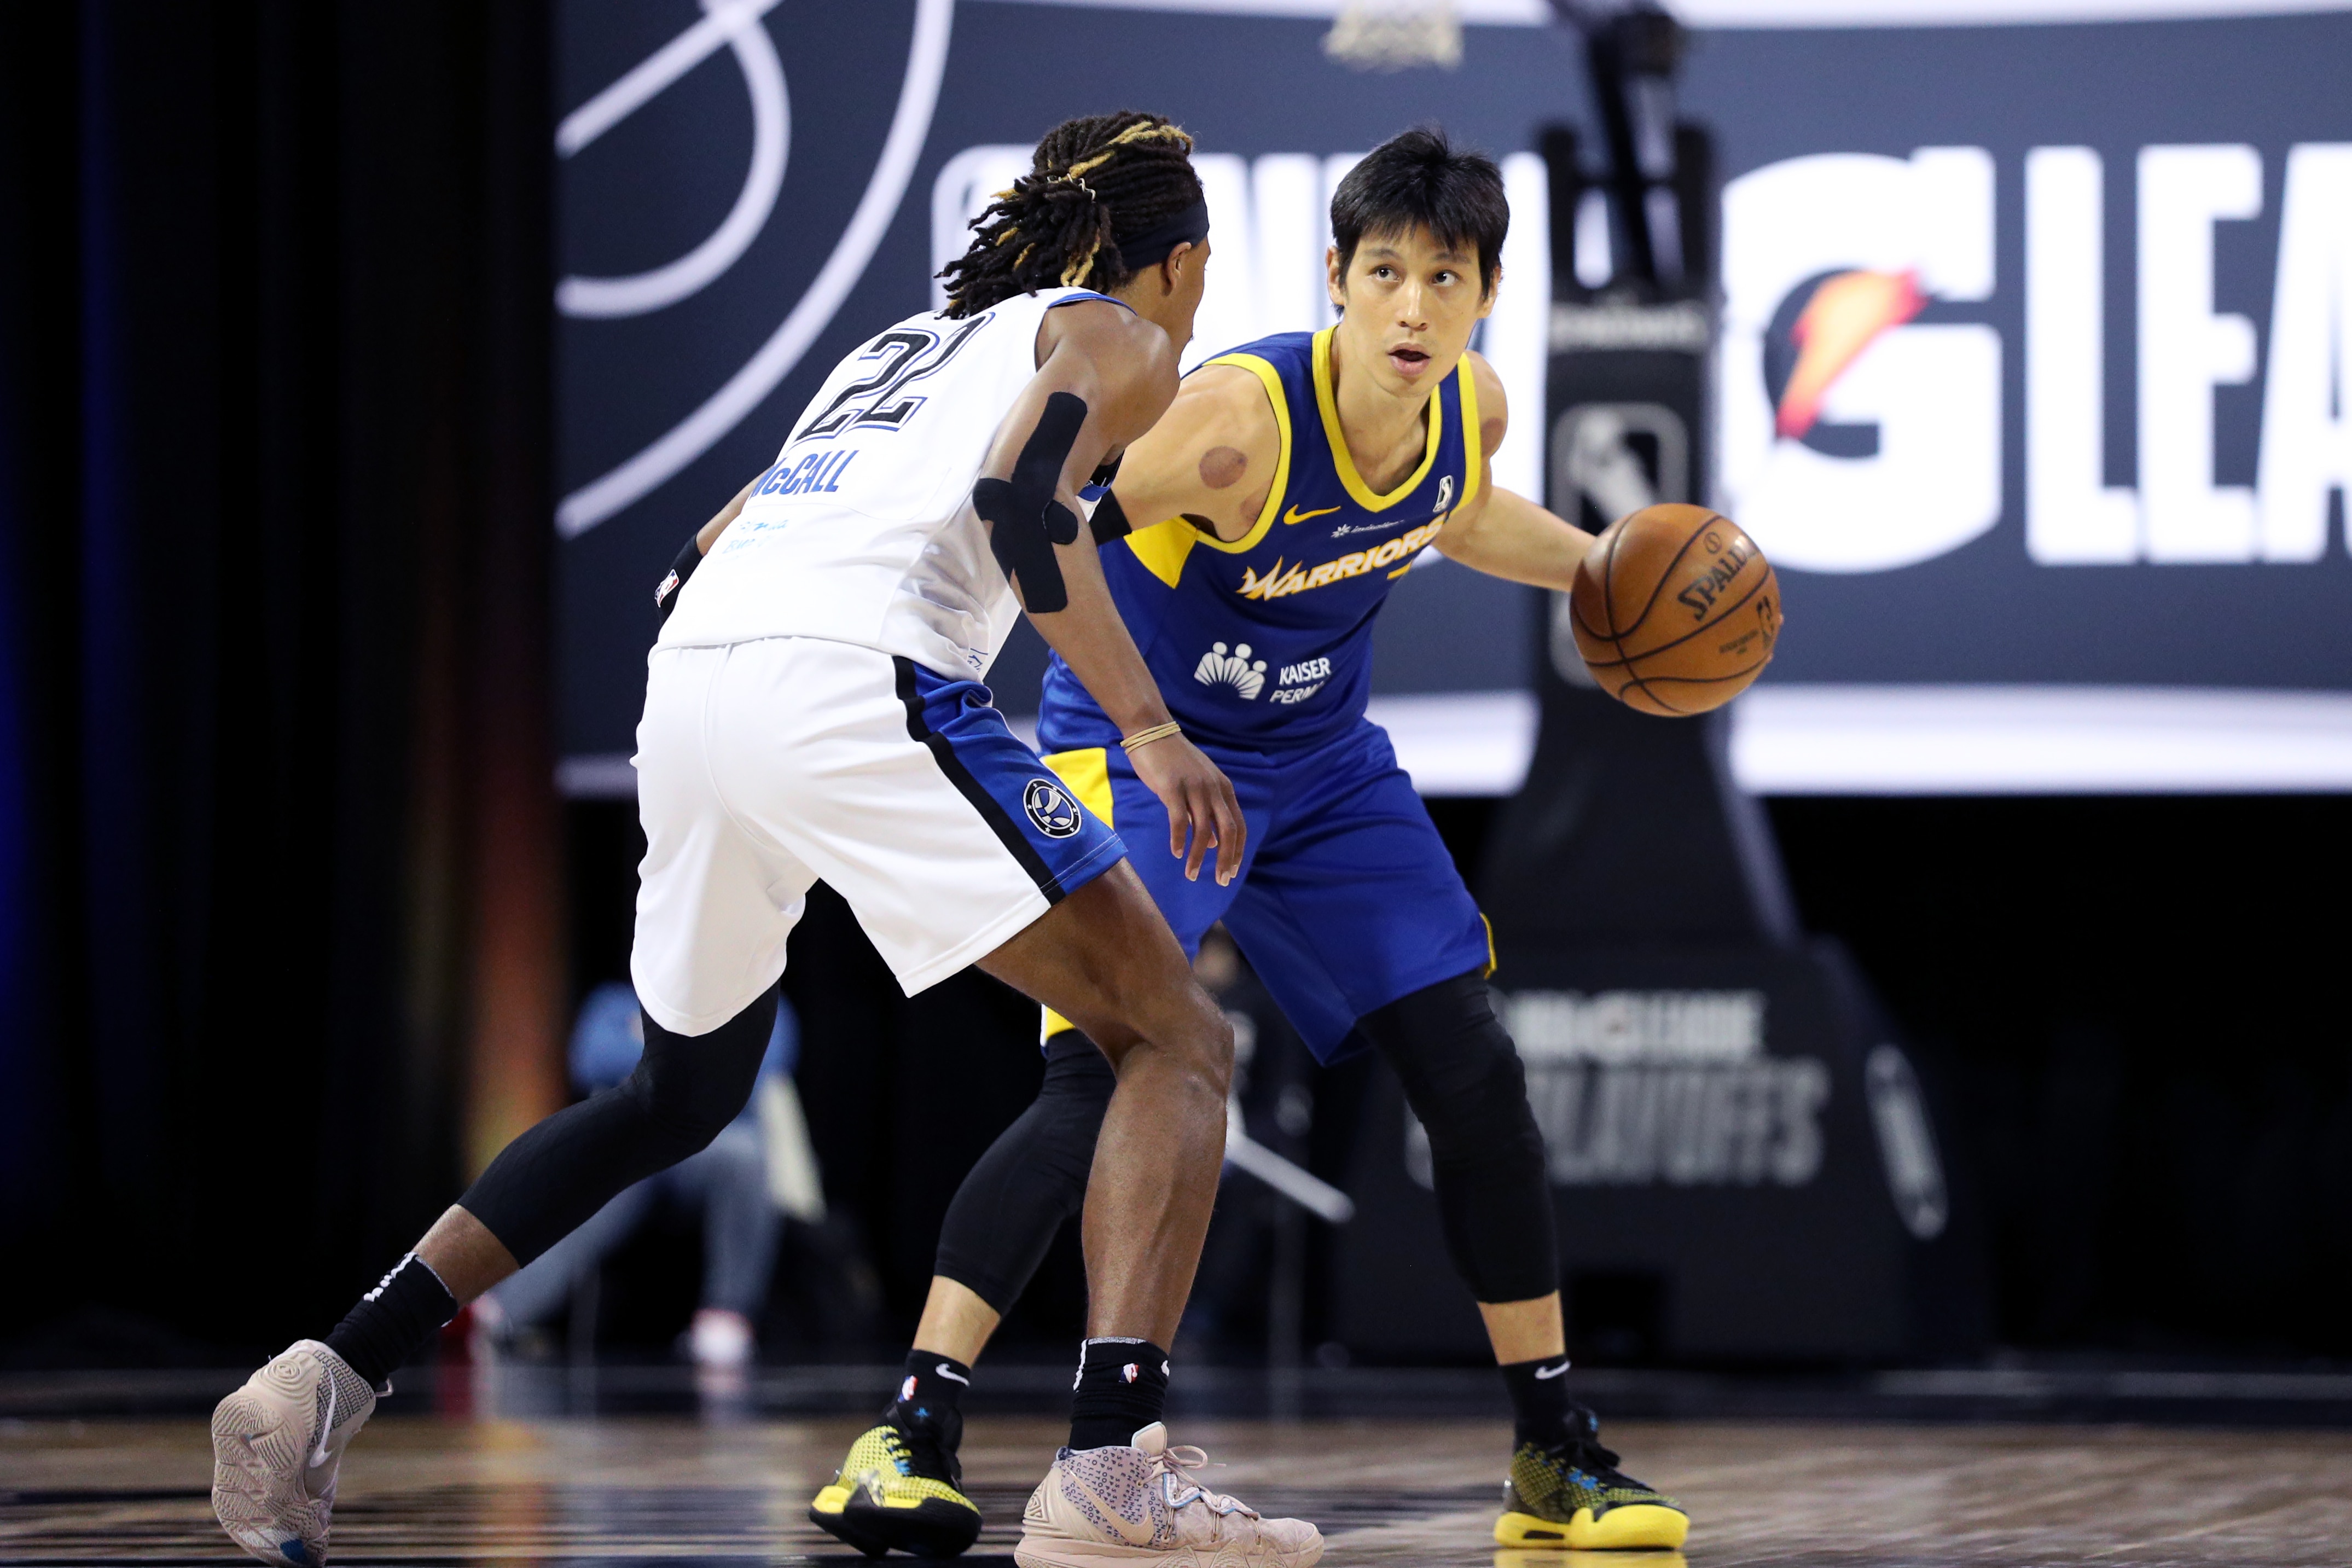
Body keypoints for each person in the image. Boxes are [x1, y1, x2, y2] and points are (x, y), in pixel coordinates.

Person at [210, 109, 1323, 1568]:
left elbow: (705, 549)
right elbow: (1017, 505)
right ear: (1176, 261)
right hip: (857, 680)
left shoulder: (890, 353)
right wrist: (1152, 729)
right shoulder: (1122, 337)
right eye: (1202, 270)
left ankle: (330, 1371)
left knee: (677, 1095)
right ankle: (1111, 1472)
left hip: (696, 684)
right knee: (1179, 1032)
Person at [812, 126, 1689, 1557]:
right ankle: (909, 1426)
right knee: (1101, 1070)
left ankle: (1552, 1453)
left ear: (1484, 294)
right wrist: (1144, 728)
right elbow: (1063, 522)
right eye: (1386, 273)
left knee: (1471, 1070)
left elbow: (1454, 515)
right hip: (1143, 750)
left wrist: (1595, 563)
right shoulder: (1232, 424)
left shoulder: (1472, 410)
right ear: (1334, 275)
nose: (1413, 307)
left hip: (1323, 770)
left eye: (1446, 278)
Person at [468, 983, 798, 1369]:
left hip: (716, 1143)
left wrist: (650, 1052)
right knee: (600, 1168)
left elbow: (762, 1066)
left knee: (744, 1158)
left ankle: (726, 1318)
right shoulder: (615, 1003)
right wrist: (700, 1054)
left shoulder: (755, 996)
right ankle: (507, 1312)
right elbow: (589, 1059)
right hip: (639, 1138)